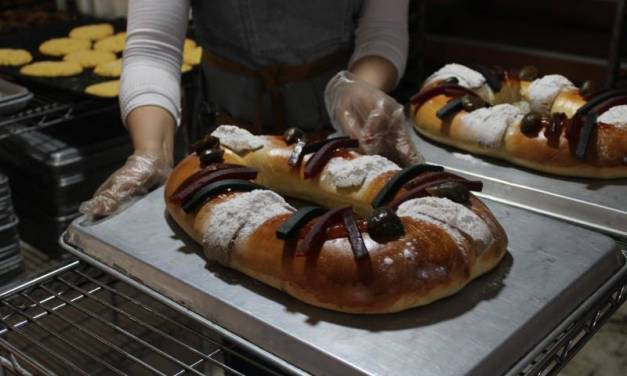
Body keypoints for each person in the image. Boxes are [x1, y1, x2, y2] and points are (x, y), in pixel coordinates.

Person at [80, 0, 421, 217]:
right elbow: (153, 48)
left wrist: (359, 87)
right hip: (228, 137)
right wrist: (152, 149)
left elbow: (382, 32)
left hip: (339, 136)